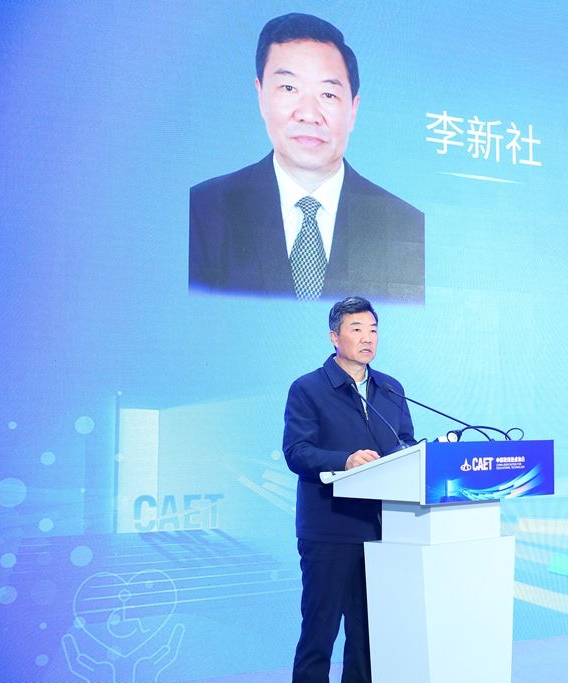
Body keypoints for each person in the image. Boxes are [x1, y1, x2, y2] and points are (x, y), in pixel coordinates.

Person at [190, 13, 424, 303]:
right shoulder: (203, 210)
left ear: (353, 109)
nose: (309, 114)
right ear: (261, 95)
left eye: (328, 94)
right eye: (289, 88)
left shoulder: (407, 225)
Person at [282, 296, 417, 683]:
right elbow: (296, 451)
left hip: (382, 530)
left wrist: (410, 455)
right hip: (329, 529)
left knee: (368, 638)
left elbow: (406, 443)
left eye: (373, 330)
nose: (367, 338)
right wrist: (345, 461)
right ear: (334, 337)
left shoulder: (390, 388)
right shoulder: (308, 389)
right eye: (357, 329)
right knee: (319, 635)